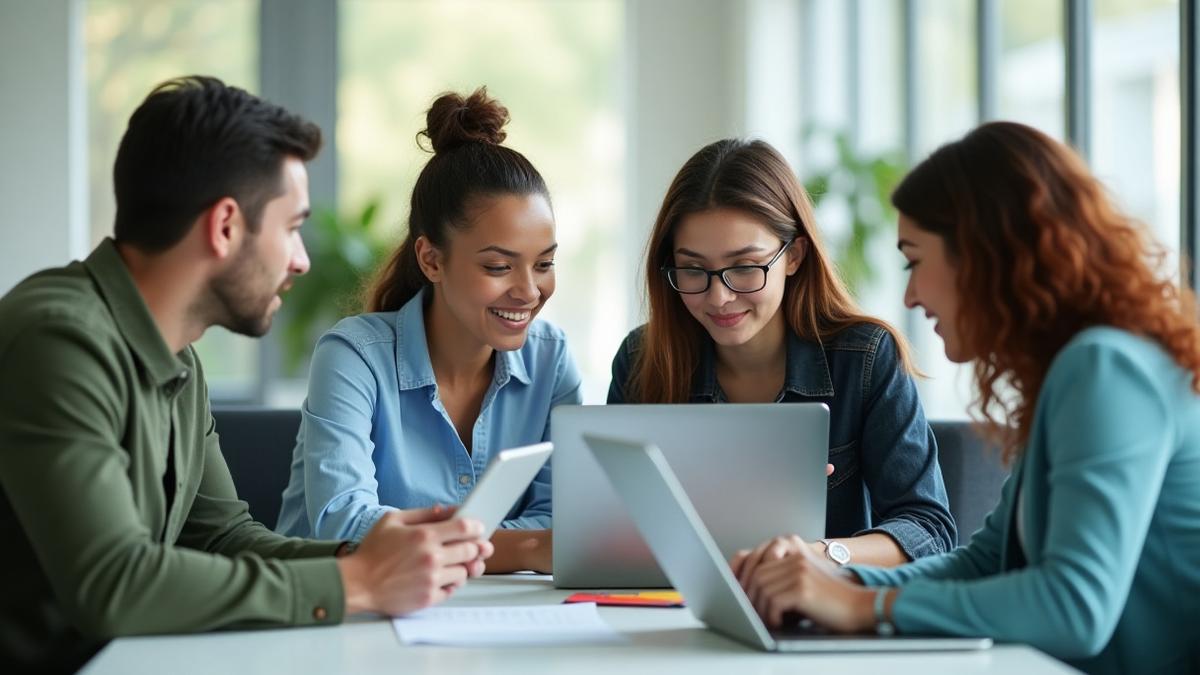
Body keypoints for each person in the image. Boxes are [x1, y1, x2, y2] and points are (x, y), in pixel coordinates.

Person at [0, 76, 492, 673]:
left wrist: (366, 554)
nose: (301, 259)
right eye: (291, 228)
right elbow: (114, 583)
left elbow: (222, 537)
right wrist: (358, 582)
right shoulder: (58, 340)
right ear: (226, 226)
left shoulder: (176, 356)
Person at [735, 121, 1200, 675]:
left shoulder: (1105, 368)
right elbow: (984, 563)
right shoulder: (1075, 371)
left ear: (984, 256)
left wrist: (861, 606)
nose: (910, 295)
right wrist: (832, 583)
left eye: (914, 260)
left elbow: (1074, 607)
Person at [609, 138, 956, 567]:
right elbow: (609, 529)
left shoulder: (864, 358)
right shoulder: (642, 359)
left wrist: (818, 555)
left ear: (793, 256)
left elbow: (929, 530)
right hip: (666, 601)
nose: (719, 297)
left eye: (744, 267)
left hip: (818, 603)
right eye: (694, 269)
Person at [275, 88, 580, 574]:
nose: (529, 291)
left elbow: (562, 518)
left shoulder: (552, 360)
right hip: (337, 606)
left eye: (544, 264)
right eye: (499, 266)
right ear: (432, 259)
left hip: (488, 607)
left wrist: (518, 542)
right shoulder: (353, 356)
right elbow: (344, 523)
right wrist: (522, 547)